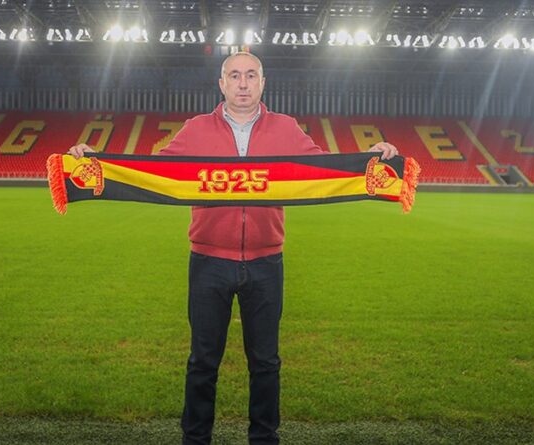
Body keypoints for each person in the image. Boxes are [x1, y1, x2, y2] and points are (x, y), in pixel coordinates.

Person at [68, 51, 398, 445]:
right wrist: (98, 163)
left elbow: (326, 168)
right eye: (235, 75)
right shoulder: (195, 129)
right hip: (208, 261)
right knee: (203, 362)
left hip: (266, 262)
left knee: (266, 362)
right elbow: (154, 170)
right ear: (222, 83)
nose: (243, 83)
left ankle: (264, 438)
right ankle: (195, 439)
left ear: (263, 83)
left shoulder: (286, 128)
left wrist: (371, 159)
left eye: (251, 75)